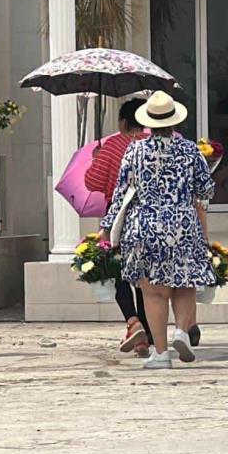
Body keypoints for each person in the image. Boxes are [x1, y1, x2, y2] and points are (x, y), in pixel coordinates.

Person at [99, 91, 216, 369]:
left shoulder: (135, 150)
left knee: (154, 292)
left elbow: (121, 192)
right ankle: (182, 332)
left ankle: (161, 353)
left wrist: (107, 227)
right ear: (174, 122)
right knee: (185, 283)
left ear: (149, 122)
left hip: (144, 227)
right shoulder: (189, 150)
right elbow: (206, 189)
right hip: (183, 225)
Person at [85, 98, 153, 357]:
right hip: (149, 216)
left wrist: (96, 158)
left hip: (119, 217)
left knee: (121, 274)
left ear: (123, 122)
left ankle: (134, 323)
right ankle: (147, 332)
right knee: (144, 280)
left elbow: (92, 181)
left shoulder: (113, 146)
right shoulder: (153, 144)